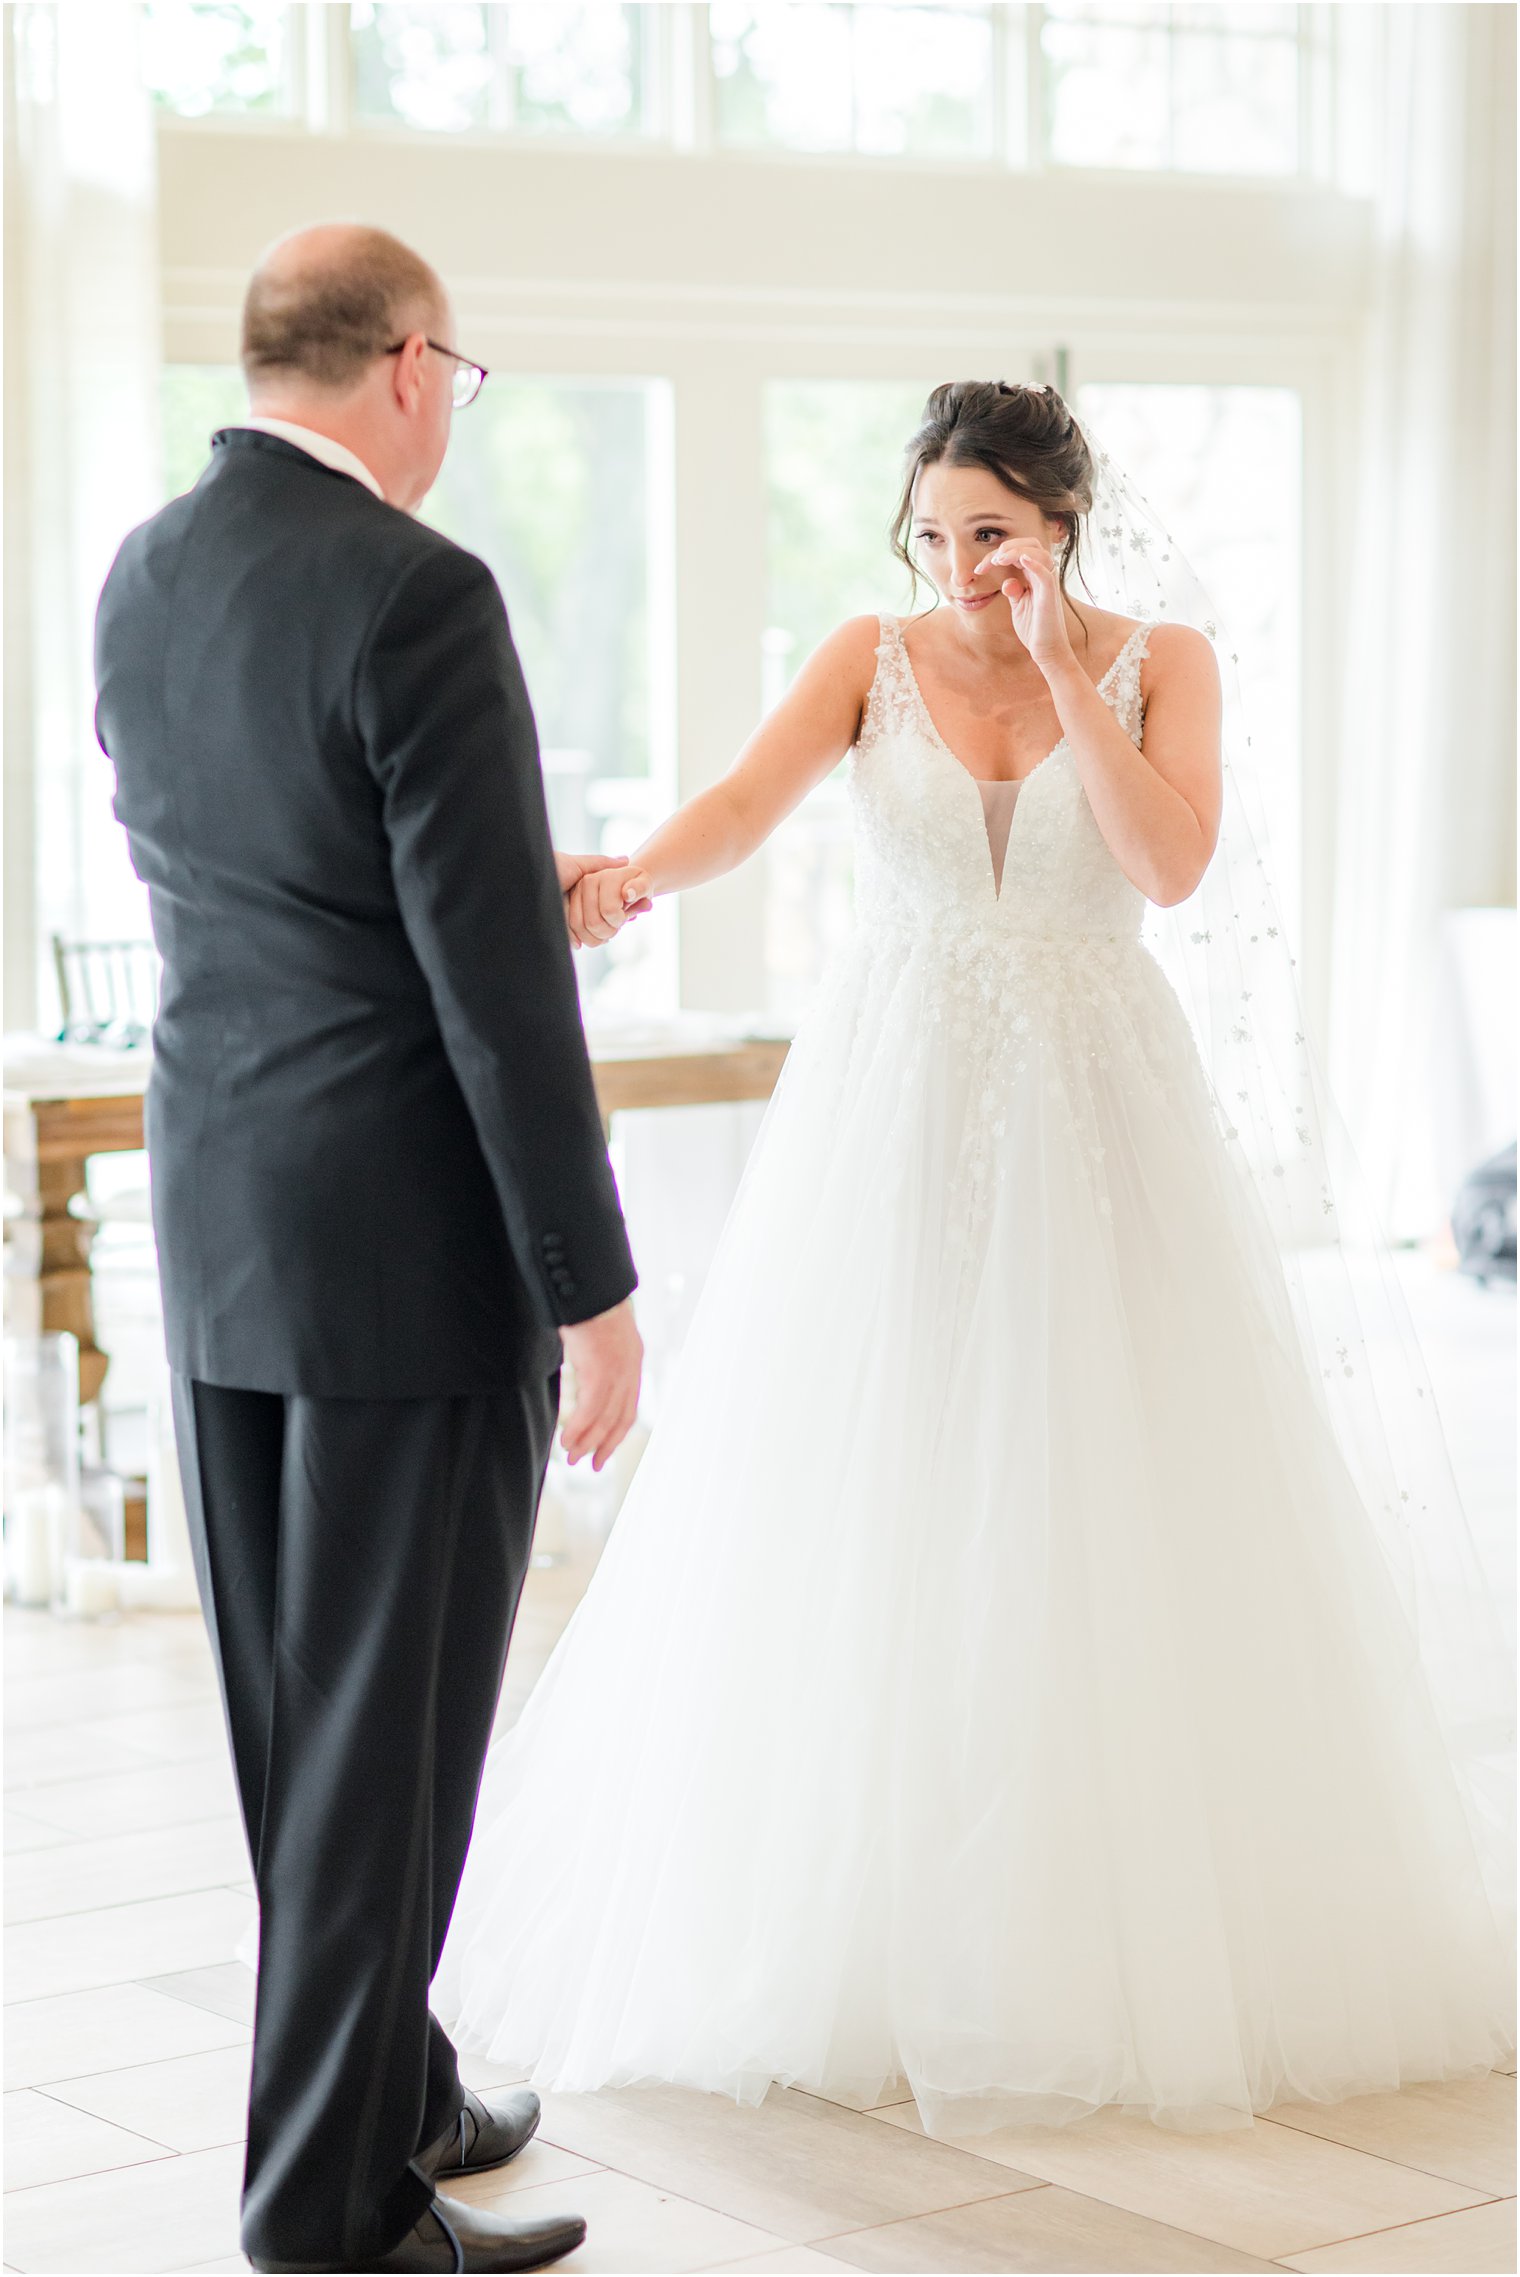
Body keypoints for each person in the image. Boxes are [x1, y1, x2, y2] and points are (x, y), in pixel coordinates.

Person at [434, 380, 1515, 2138]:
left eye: (991, 536)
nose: (957, 570)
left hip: (1101, 1100)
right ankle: (859, 1906)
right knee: (888, 1471)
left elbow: (1169, 863)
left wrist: (1069, 675)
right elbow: (739, 804)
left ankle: (1116, 1914)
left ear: (1063, 524)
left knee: (1111, 1480)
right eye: (932, 538)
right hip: (903, 1091)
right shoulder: (871, 653)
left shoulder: (1167, 658)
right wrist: (631, 877)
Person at [94, 223, 643, 2274]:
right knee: (390, 1730)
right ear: (411, 365)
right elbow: (488, 984)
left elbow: (260, 873)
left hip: (223, 1214)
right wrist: (589, 1281)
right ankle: (329, 2206)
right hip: (406, 1248)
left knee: (295, 1715)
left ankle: (390, 2083)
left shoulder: (146, 568)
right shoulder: (420, 591)